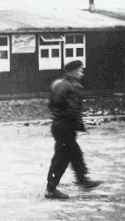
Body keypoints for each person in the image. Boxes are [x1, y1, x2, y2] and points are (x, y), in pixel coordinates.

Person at [45, 60, 102, 199]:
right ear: (73, 71)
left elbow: (50, 104)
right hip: (66, 126)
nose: (82, 72)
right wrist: (81, 124)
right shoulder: (72, 87)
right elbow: (73, 111)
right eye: (80, 70)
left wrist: (58, 116)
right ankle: (51, 189)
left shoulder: (56, 83)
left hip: (57, 124)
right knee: (62, 157)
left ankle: (82, 179)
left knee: (75, 152)